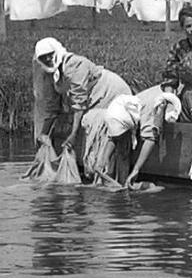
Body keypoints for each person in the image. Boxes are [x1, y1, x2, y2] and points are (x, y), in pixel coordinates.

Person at [32, 37, 132, 178]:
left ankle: (106, 169)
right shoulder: (50, 73)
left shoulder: (75, 65)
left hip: (110, 91)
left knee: (99, 124)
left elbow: (79, 103)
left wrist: (73, 135)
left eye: (50, 54)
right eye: (43, 57)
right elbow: (51, 105)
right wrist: (43, 134)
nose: (48, 59)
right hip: (93, 96)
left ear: (57, 51)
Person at [103, 82, 183, 188]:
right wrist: (104, 160)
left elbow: (151, 138)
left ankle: (125, 179)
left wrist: (136, 169)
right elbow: (113, 136)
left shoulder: (152, 110)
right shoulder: (128, 106)